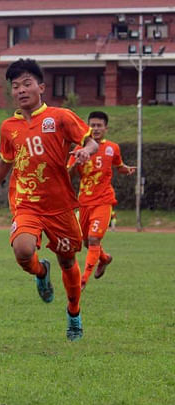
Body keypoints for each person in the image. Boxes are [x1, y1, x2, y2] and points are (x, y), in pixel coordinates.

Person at [0, 58, 98, 341]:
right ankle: (41, 272)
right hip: (26, 203)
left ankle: (74, 313)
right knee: (22, 250)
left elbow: (90, 140)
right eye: (15, 86)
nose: (20, 90)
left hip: (61, 207)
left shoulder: (60, 117)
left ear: (41, 87)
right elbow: (6, 161)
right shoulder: (9, 127)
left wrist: (86, 151)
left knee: (68, 262)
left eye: (27, 84)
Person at [67, 111, 135, 290]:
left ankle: (82, 280)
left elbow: (118, 166)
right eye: (93, 125)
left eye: (99, 126)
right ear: (87, 128)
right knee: (86, 242)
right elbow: (69, 175)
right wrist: (75, 164)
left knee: (94, 239)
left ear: (106, 128)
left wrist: (126, 169)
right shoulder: (79, 149)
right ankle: (104, 259)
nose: (96, 129)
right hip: (84, 202)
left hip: (104, 200)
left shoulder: (113, 148)